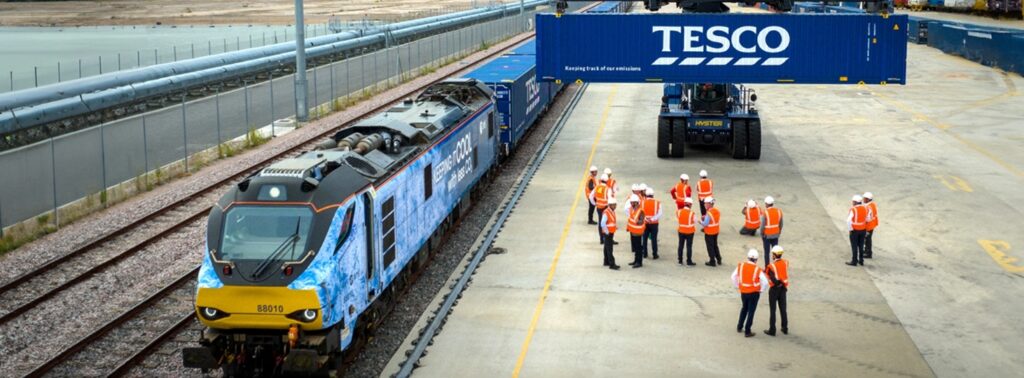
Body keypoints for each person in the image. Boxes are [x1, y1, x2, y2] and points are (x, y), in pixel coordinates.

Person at [732, 249, 768, 337]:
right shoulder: (757, 269)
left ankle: (739, 326)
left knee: (744, 308)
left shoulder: (741, 266)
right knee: (751, 311)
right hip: (754, 293)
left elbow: (733, 276)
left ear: (748, 257)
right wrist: (761, 290)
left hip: (743, 292)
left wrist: (737, 285)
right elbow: (765, 281)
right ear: (756, 259)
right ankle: (747, 331)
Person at [764, 245, 789, 336]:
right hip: (783, 289)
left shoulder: (771, 266)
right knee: (783, 309)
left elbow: (773, 279)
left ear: (774, 255)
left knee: (773, 310)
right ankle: (785, 327)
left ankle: (772, 329)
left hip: (774, 290)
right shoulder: (786, 262)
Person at [761, 196, 783, 267]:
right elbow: (781, 224)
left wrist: (762, 234)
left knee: (766, 253)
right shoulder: (779, 211)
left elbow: (762, 226)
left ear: (766, 204)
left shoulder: (765, 212)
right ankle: (776, 267)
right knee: (776, 252)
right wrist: (779, 232)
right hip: (775, 235)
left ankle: (767, 267)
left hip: (767, 236)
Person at [846, 194, 868, 266]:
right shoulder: (865, 208)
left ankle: (854, 261)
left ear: (855, 202)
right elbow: (868, 218)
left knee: (854, 246)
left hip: (855, 230)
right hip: (863, 230)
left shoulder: (853, 209)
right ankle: (861, 260)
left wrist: (850, 229)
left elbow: (849, 221)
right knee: (861, 245)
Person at [590, 174, 611, 245]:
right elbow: (610, 199)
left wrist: (595, 203)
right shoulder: (608, 189)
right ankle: (606, 238)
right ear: (607, 181)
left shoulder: (597, 187)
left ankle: (601, 239)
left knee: (600, 222)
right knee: (606, 223)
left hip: (599, 208)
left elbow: (591, 196)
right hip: (605, 208)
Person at [600, 197, 621, 270]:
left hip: (610, 232)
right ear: (610, 205)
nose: (615, 206)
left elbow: (611, 221)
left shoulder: (611, 211)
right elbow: (602, 223)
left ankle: (606, 261)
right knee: (609, 248)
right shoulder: (606, 212)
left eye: (615, 204)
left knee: (606, 247)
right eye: (613, 205)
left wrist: (615, 227)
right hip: (608, 233)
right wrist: (607, 232)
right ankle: (612, 264)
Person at [642, 187, 663, 259]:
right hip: (654, 223)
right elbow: (660, 213)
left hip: (645, 223)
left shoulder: (642, 202)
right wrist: (653, 219)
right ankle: (655, 254)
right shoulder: (657, 203)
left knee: (644, 238)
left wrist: (645, 219)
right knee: (654, 239)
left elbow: (640, 213)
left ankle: (644, 253)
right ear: (653, 195)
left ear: (646, 195)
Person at [626, 195, 646, 268]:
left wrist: (637, 221)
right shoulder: (632, 209)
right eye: (631, 203)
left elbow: (641, 221)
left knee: (638, 248)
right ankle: (635, 260)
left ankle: (639, 262)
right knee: (635, 247)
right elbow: (630, 218)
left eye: (633, 203)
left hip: (638, 232)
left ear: (637, 203)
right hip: (632, 231)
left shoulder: (640, 211)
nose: (632, 204)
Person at [701, 197, 722, 266]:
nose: (704, 204)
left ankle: (712, 261)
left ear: (710, 204)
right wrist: (706, 217)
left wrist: (699, 221)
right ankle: (719, 259)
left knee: (710, 247)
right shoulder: (716, 210)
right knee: (715, 245)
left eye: (705, 203)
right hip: (716, 231)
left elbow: (705, 224)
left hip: (709, 232)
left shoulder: (709, 213)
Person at [676, 197, 698, 266]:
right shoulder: (692, 213)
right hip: (690, 232)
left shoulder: (678, 211)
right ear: (690, 205)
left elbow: (678, 218)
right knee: (689, 246)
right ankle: (689, 261)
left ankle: (680, 260)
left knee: (680, 245)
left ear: (684, 203)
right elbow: (696, 221)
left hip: (681, 231)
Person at [863, 192, 878, 259]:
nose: (864, 199)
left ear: (868, 199)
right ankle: (866, 250)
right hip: (873, 224)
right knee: (868, 238)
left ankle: (868, 253)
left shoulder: (868, 207)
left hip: (868, 225)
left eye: (865, 198)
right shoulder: (872, 204)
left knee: (867, 239)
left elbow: (868, 218)